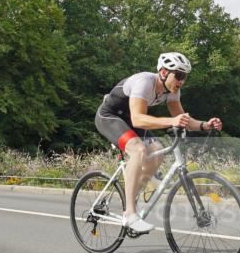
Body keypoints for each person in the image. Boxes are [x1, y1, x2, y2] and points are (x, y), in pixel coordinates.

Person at [94, 52, 222, 234]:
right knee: (138, 151)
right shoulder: (145, 82)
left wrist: (204, 125)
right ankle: (129, 213)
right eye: (178, 75)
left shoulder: (173, 92)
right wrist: (171, 122)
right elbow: (139, 119)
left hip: (130, 121)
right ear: (163, 72)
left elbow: (183, 119)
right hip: (110, 117)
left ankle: (132, 196)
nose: (181, 81)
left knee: (158, 152)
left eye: (184, 77)